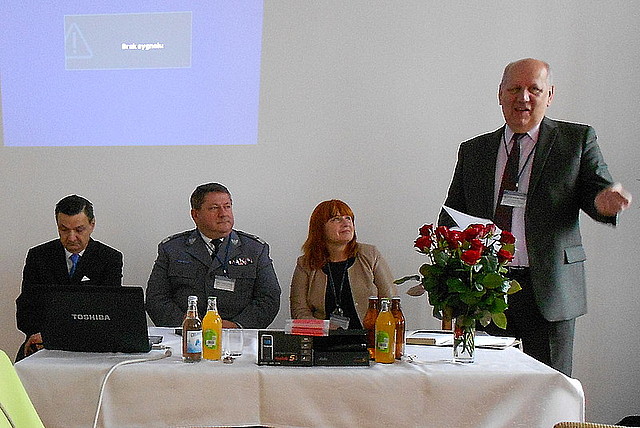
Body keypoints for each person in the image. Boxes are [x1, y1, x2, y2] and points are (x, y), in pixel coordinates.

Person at [438, 58, 632, 376]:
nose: (523, 98)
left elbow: (597, 192)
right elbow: (451, 216)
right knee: (486, 386)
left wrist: (605, 202)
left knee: (549, 388)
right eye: (514, 89)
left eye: (534, 89)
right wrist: (448, 275)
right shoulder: (474, 151)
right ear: (500, 94)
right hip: (486, 289)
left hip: (550, 290)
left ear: (549, 95)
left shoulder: (576, 140)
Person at [146, 183, 281, 329]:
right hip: (184, 333)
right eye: (214, 208)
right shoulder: (172, 249)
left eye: (227, 206)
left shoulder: (255, 249)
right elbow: (156, 298)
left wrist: (236, 326)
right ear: (195, 215)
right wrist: (187, 323)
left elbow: (269, 298)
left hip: (236, 335)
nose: (223, 214)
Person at [15, 195, 123, 361]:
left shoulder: (109, 258)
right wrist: (39, 334)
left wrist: (59, 335)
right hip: (44, 342)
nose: (71, 237)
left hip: (91, 342)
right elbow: (26, 308)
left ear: (92, 224)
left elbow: (108, 313)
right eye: (64, 230)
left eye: (79, 230)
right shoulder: (38, 256)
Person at [290, 199, 396, 329]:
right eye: (336, 219)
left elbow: (390, 301)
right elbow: (299, 311)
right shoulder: (305, 264)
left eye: (348, 218)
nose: (346, 223)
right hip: (323, 339)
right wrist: (323, 327)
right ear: (320, 228)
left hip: (368, 337)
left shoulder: (370, 254)